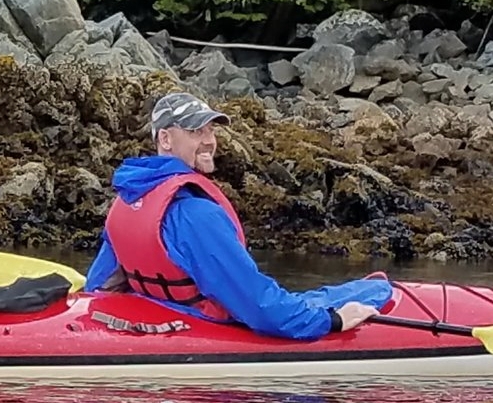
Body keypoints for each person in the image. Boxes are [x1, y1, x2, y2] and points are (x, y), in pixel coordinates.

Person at [85, 91, 394, 339]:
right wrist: (333, 320)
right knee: (373, 294)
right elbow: (258, 307)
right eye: (195, 131)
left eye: (210, 130)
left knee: (372, 289)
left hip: (162, 313)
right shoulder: (195, 214)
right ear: (165, 139)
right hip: (203, 325)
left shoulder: (127, 200)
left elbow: (98, 286)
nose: (209, 140)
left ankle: (375, 289)